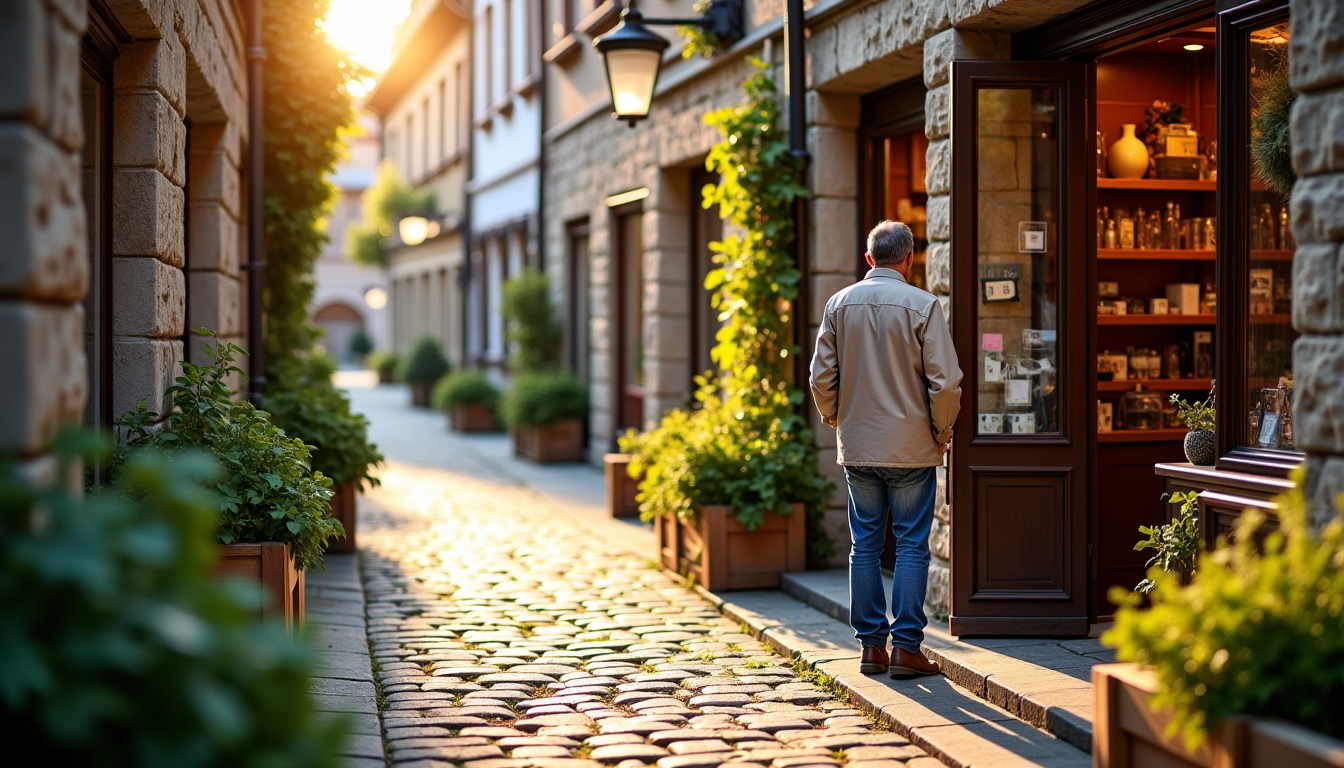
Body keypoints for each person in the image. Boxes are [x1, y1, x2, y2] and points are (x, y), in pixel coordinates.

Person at [808, 220, 963, 679]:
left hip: (858, 446)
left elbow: (820, 378)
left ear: (869, 258)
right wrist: (943, 429)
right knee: (913, 545)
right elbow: (946, 380)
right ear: (910, 259)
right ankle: (907, 649)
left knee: (865, 546)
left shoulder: (838, 304)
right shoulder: (924, 304)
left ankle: (872, 647)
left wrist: (837, 418)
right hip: (912, 447)